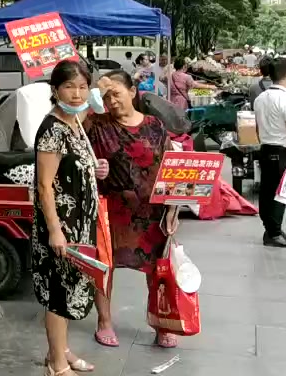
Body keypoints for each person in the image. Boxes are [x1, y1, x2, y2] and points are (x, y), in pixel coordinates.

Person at [85, 71, 180, 349]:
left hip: (152, 211)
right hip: (111, 209)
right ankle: (104, 322)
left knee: (157, 270)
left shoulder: (154, 125)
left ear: (133, 91)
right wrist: (96, 169)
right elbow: (79, 147)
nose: (111, 100)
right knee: (104, 267)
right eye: (106, 96)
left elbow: (170, 165)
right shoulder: (97, 125)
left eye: (116, 93)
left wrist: (174, 208)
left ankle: (161, 323)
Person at [31, 60, 104, 376]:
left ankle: (61, 350)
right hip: (61, 225)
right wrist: (55, 231)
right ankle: (57, 365)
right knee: (57, 294)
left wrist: (95, 166)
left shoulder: (76, 121)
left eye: (82, 87)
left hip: (80, 223)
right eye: (69, 87)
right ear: (55, 89)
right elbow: (44, 186)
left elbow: (76, 164)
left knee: (70, 287)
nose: (77, 94)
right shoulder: (53, 129)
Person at [254, 57, 286, 248]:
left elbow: (258, 127)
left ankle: (272, 229)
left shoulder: (261, 97)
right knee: (281, 193)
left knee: (267, 191)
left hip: (266, 148)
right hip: (282, 149)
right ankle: (274, 233)